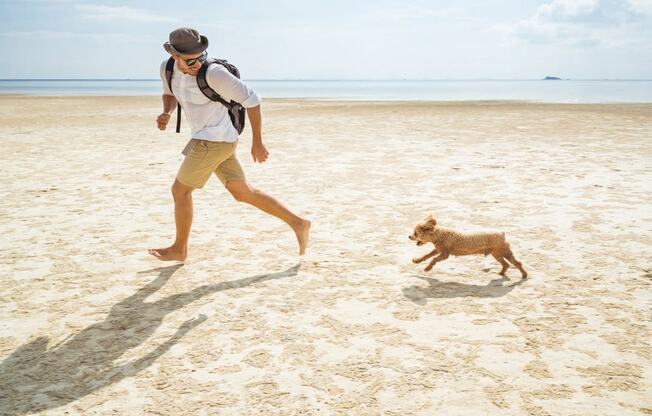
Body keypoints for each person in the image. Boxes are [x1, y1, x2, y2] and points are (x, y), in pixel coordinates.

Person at [149, 27, 310, 262]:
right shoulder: (168, 69)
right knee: (242, 192)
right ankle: (299, 223)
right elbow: (170, 93)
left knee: (180, 191)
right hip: (214, 140)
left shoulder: (214, 73)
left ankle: (179, 249)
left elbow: (252, 101)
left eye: (201, 56)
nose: (197, 63)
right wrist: (166, 112)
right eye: (190, 60)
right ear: (175, 56)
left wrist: (257, 142)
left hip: (213, 141)